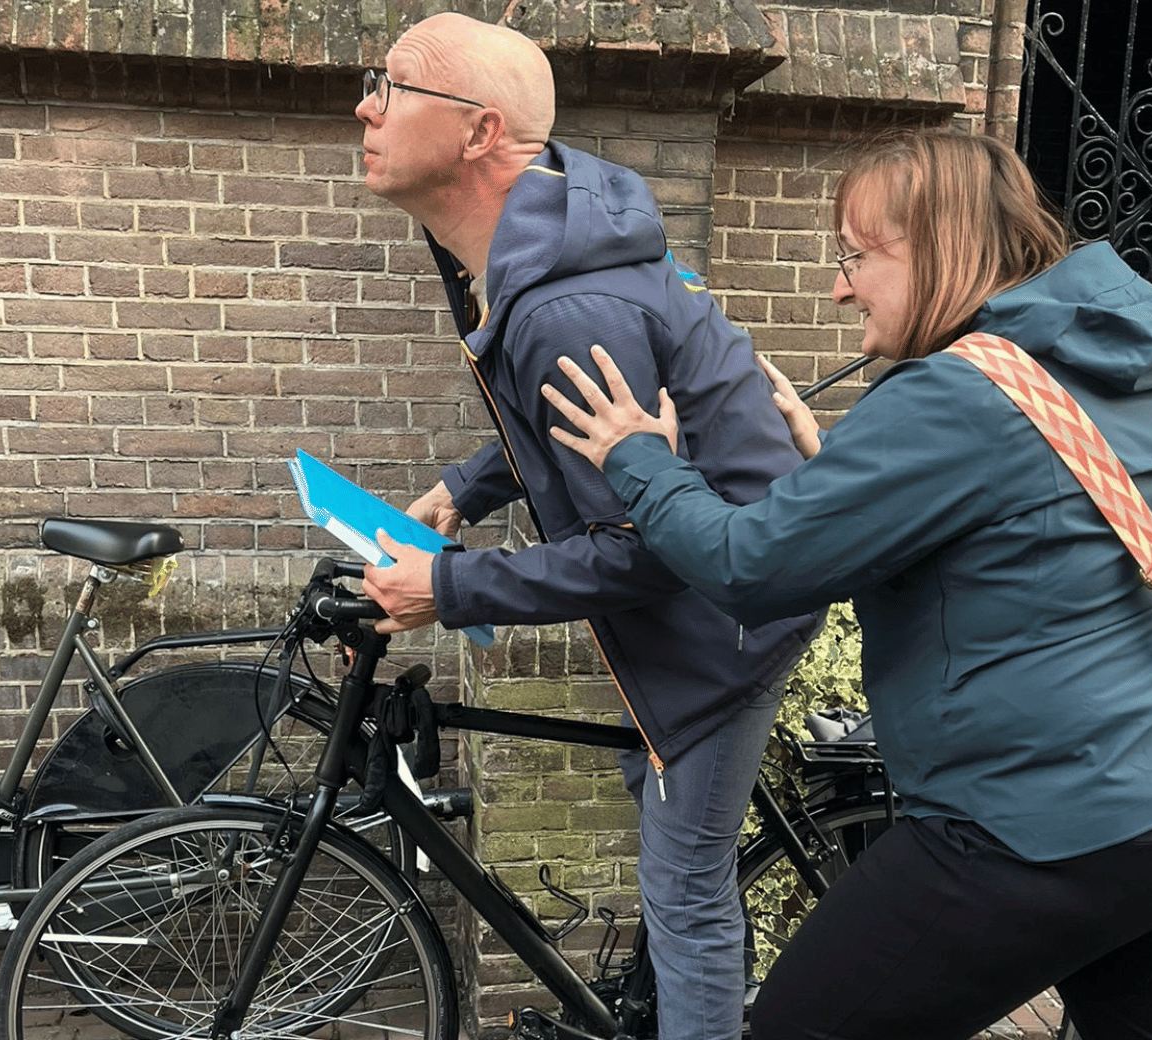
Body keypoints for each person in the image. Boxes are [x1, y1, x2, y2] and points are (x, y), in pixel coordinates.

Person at [542, 128, 1152, 1040]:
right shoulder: (1111, 355)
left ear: (938, 248)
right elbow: (1033, 527)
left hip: (1041, 821)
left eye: (856, 256)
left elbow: (748, 568)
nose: (839, 286)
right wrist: (842, 468)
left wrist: (640, 460)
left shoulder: (951, 396)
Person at [352, 13, 822, 1040]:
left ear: (479, 132)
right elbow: (570, 424)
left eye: (391, 88)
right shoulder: (550, 253)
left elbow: (644, 549)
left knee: (685, 892)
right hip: (707, 602)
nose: (364, 107)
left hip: (727, 626)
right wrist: (468, 487)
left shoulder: (567, 305)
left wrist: (447, 587)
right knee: (667, 842)